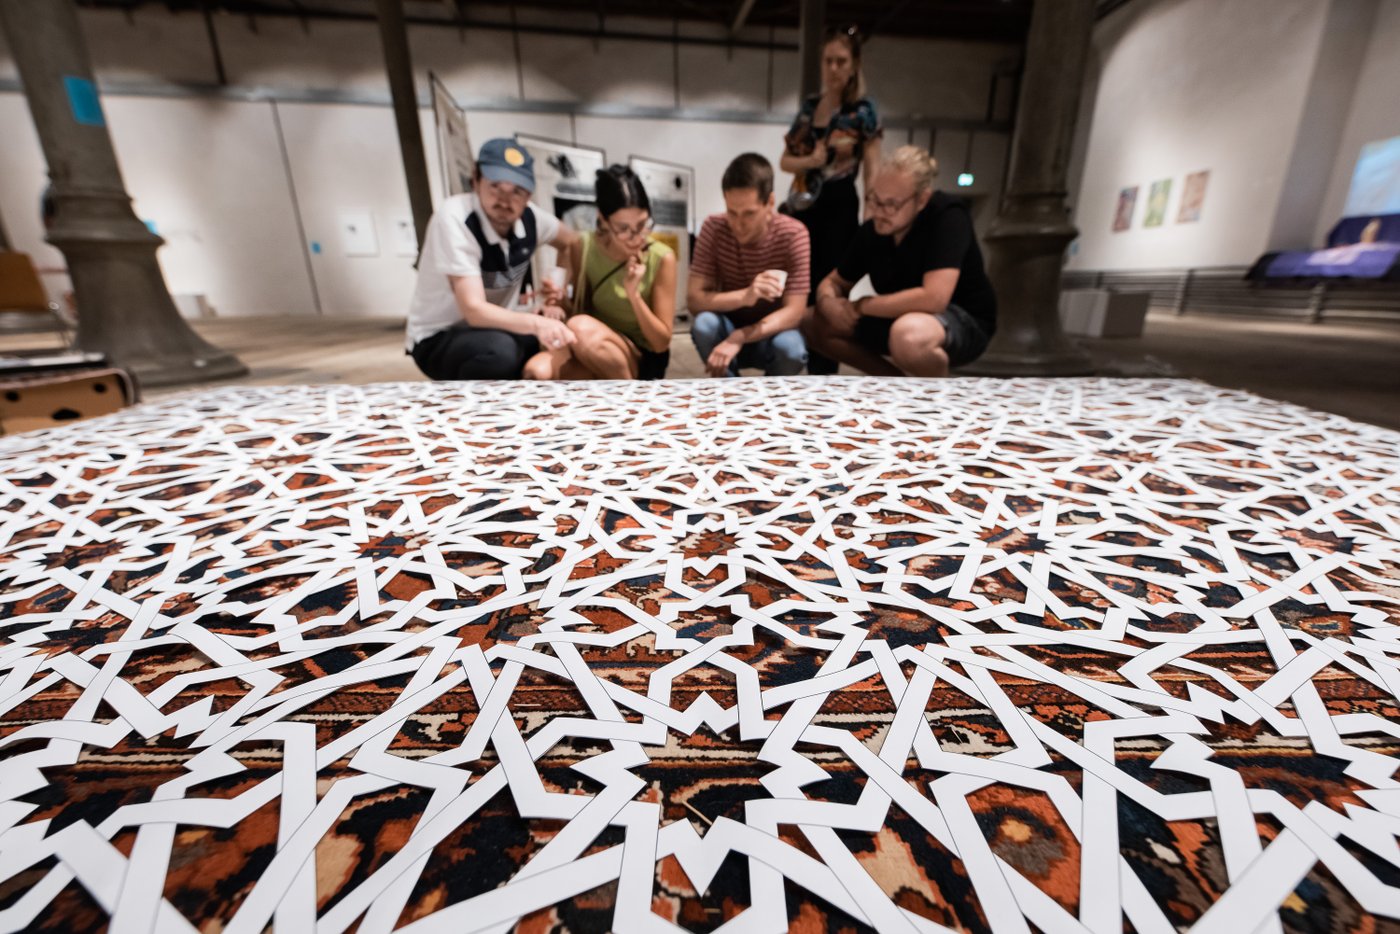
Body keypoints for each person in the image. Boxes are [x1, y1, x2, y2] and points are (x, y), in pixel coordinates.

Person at [805, 145, 996, 377]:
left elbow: (934, 298)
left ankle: (935, 398)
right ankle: (893, 381)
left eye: (892, 204)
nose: (880, 211)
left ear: (922, 200)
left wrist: (861, 306)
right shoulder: (873, 229)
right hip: (897, 316)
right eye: (875, 199)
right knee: (810, 320)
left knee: (908, 335)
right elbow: (834, 281)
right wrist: (828, 303)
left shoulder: (948, 217)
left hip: (962, 318)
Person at [406, 137, 579, 380]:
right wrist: (537, 324)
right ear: (476, 180)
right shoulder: (455, 218)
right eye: (496, 186)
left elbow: (571, 242)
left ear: (528, 194)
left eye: (516, 191)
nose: (505, 201)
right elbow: (474, 310)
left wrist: (556, 291)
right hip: (441, 335)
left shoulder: (532, 219)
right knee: (500, 353)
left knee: (568, 336)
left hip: (498, 328)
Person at [780, 24, 882, 375]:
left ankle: (824, 377)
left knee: (831, 292)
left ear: (854, 64)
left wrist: (872, 215)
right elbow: (785, 161)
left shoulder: (863, 111)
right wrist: (811, 161)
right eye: (828, 61)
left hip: (840, 205)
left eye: (841, 61)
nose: (833, 68)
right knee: (800, 286)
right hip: (805, 206)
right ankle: (795, 362)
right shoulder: (810, 108)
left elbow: (873, 166)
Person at [524, 165, 676, 380]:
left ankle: (630, 403)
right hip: (587, 344)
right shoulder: (583, 247)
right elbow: (578, 309)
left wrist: (634, 296)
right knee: (536, 371)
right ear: (603, 220)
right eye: (623, 229)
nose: (636, 237)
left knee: (583, 329)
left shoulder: (661, 257)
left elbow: (661, 343)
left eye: (643, 224)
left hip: (636, 353)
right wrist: (557, 302)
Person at [687, 153, 810, 377]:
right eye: (731, 212)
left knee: (791, 349)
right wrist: (746, 296)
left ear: (770, 203)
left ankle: (773, 402)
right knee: (704, 325)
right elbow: (694, 300)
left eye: (749, 214)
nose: (738, 224)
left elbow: (795, 312)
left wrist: (741, 336)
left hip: (771, 333)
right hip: (727, 328)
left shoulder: (793, 233)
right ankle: (729, 395)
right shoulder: (714, 228)